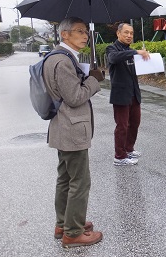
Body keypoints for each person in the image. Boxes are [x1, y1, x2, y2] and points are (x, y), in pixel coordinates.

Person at [43, 17, 105, 247]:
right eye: (79, 31)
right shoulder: (63, 61)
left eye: (85, 31)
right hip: (72, 129)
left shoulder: (58, 57)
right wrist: (93, 81)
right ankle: (73, 232)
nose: (85, 35)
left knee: (66, 179)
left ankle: (64, 223)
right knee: (80, 181)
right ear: (65, 34)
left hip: (62, 127)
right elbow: (75, 97)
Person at [106, 23, 150, 166]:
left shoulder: (130, 51)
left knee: (135, 123)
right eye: (126, 32)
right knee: (122, 126)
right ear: (118, 34)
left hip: (134, 94)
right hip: (120, 95)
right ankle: (119, 156)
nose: (129, 35)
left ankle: (129, 149)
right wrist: (136, 52)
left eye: (131, 33)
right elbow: (113, 58)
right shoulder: (112, 49)